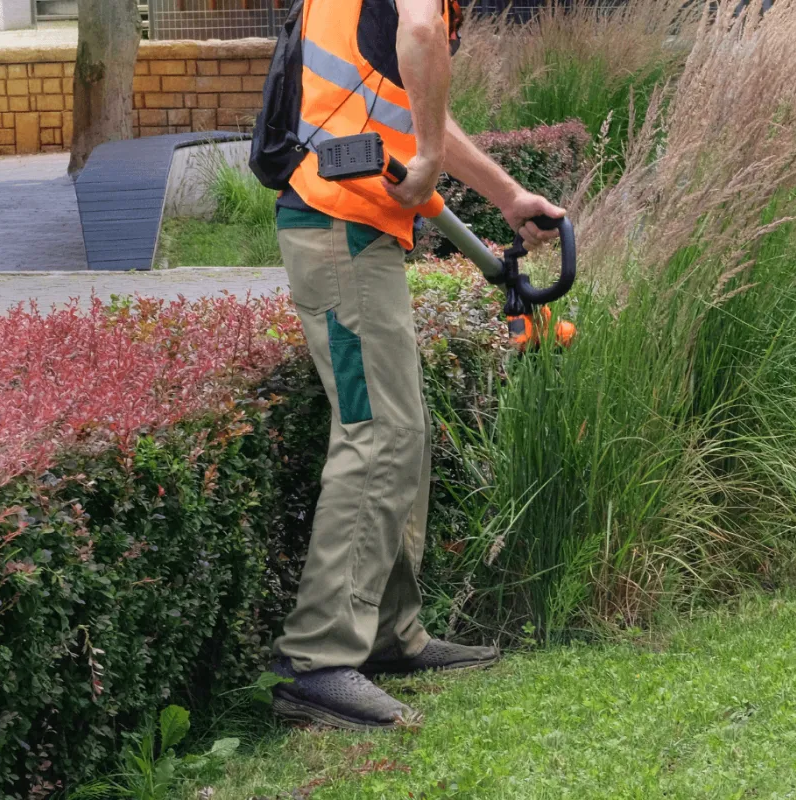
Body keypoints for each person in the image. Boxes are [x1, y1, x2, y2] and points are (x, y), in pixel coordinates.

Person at [267, 0, 565, 731]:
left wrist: (506, 195)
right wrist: (427, 157)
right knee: (378, 430)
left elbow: (410, 99)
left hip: (355, 223)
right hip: (337, 222)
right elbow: (423, 32)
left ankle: (387, 634)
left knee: (404, 430)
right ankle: (318, 660)